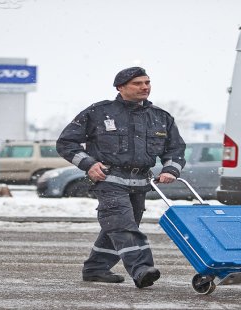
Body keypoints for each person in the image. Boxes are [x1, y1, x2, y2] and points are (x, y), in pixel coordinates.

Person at [56, 67, 186, 289]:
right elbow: (65, 143)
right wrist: (88, 164)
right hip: (109, 181)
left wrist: (170, 169)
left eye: (147, 82)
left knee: (117, 227)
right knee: (123, 226)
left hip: (140, 184)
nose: (144, 87)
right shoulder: (99, 112)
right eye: (137, 83)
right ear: (120, 87)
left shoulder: (161, 117)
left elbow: (176, 149)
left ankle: (95, 268)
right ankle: (141, 268)